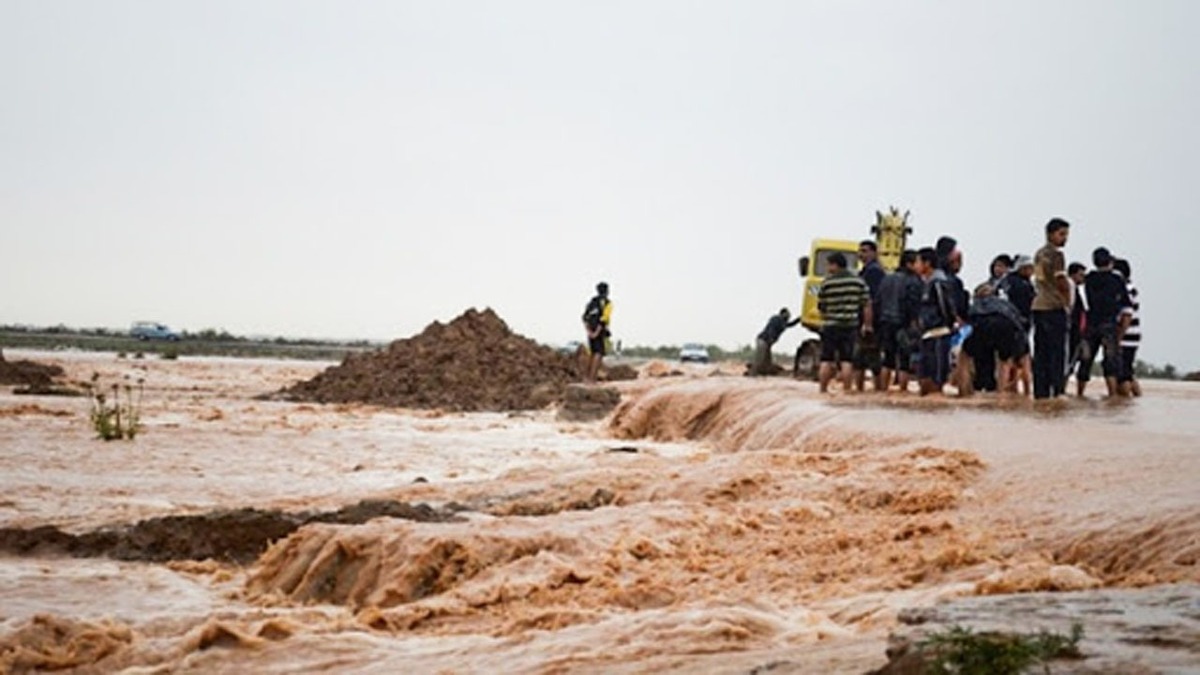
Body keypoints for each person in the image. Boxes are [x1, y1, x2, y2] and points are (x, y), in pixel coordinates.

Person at [1077, 248, 1132, 398]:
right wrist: (1121, 331)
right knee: (1110, 362)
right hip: (1109, 324)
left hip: (1091, 324)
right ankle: (1112, 395)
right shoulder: (1116, 279)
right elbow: (1126, 305)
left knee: (1086, 360)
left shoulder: (1089, 279)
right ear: (1109, 261)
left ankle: (1080, 394)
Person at [817, 252, 871, 393]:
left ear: (835, 265)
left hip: (830, 326)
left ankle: (822, 390)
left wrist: (826, 318)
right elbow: (866, 304)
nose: (828, 268)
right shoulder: (858, 282)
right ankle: (847, 390)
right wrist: (867, 324)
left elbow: (821, 306)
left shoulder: (827, 283)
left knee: (826, 359)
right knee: (847, 360)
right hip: (849, 325)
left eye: (829, 264)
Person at [962, 285, 1029, 397]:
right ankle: (1003, 392)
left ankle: (963, 392)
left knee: (964, 356)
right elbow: (1019, 321)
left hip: (982, 324)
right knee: (1006, 361)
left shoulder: (976, 304)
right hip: (1007, 326)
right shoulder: (1005, 303)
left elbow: (969, 321)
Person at [1031, 218, 1072, 399]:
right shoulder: (1057, 256)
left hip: (1039, 306)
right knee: (1057, 353)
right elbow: (1061, 281)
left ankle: (1040, 392)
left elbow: (1039, 278)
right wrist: (1068, 303)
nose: (1065, 239)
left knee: (1041, 354)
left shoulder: (1039, 254)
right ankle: (1057, 392)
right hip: (1054, 307)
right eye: (1061, 234)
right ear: (1050, 234)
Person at [876, 249, 922, 392]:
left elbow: (877, 301)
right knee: (904, 360)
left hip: (885, 322)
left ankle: (883, 390)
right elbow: (912, 303)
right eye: (917, 262)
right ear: (909, 264)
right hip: (904, 323)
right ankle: (902, 391)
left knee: (887, 359)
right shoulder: (913, 281)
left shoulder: (887, 278)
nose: (919, 266)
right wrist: (915, 322)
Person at [915, 247, 957, 396]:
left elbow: (946, 306)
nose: (915, 265)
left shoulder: (938, 282)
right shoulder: (926, 283)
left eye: (918, 262)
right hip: (927, 334)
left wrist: (948, 325)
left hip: (938, 333)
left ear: (927, 263)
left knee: (935, 378)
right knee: (924, 377)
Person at [854, 240, 887, 391]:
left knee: (872, 359)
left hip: (871, 321)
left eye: (865, 251)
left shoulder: (874, 271)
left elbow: (871, 300)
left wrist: (868, 324)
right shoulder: (866, 271)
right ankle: (861, 391)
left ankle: (877, 391)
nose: (861, 254)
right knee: (860, 359)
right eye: (860, 251)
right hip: (865, 320)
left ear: (874, 253)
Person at [1113, 258, 1142, 397]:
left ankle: (1124, 403)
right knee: (1128, 372)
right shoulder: (1131, 287)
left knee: (1122, 375)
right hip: (1133, 334)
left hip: (1126, 335)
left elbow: (1126, 315)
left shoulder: (1125, 289)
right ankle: (1137, 401)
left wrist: (1118, 337)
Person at [581, 281, 613, 383]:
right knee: (599, 353)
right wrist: (597, 332)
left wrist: (589, 331)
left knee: (592, 353)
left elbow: (584, 317)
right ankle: (592, 379)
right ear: (607, 291)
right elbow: (604, 319)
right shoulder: (607, 303)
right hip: (599, 330)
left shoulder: (591, 303)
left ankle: (586, 378)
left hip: (590, 329)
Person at [752, 308, 800, 376]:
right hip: (763, 340)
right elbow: (771, 328)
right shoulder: (776, 319)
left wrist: (799, 319)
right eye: (788, 315)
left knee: (767, 360)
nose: (789, 317)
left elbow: (790, 325)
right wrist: (771, 338)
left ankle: (762, 373)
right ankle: (753, 374)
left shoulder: (782, 322)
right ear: (783, 314)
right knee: (760, 358)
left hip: (767, 342)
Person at [1066, 262, 1089, 394]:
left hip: (1077, 332)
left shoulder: (1076, 290)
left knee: (1071, 362)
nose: (1083, 278)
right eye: (1081, 275)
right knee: (1069, 362)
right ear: (1073, 275)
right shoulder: (1071, 289)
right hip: (1073, 332)